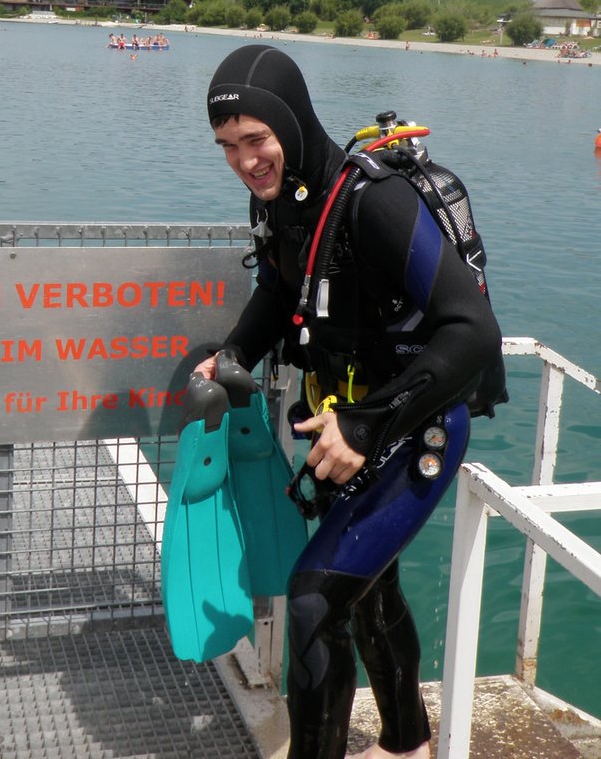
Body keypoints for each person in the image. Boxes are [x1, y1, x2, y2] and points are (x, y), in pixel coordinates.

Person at [195, 45, 505, 759]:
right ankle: (406, 745)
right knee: (368, 592)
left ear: (292, 123)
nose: (245, 161)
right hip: (340, 425)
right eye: (227, 146)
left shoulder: (375, 203)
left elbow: (474, 331)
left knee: (312, 602)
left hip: (413, 425)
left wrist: (366, 426)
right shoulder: (278, 199)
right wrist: (236, 352)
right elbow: (280, 287)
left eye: (256, 139)